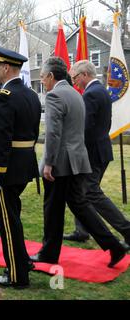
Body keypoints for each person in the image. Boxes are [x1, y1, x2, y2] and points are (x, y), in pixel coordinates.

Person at [31, 57, 127, 268]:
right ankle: (114, 246)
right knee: (80, 205)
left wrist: (48, 163)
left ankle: (48, 253)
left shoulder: (55, 95)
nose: (42, 82)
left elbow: (54, 134)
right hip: (78, 161)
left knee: (53, 209)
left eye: (43, 78)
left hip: (61, 164)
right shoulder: (76, 94)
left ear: (50, 76)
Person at [0, 47, 42, 289]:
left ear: (6, 68)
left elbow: (2, 139)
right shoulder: (30, 94)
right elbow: (34, 132)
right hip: (25, 164)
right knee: (0, 209)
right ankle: (22, 258)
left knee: (8, 219)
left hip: (8, 169)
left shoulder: (4, 95)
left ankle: (18, 274)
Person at [63, 60, 130, 250]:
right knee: (81, 191)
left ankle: (127, 229)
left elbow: (85, 128)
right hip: (100, 150)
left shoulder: (91, 94)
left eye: (75, 77)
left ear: (84, 75)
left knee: (91, 193)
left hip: (92, 153)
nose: (74, 82)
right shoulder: (101, 91)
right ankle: (82, 230)